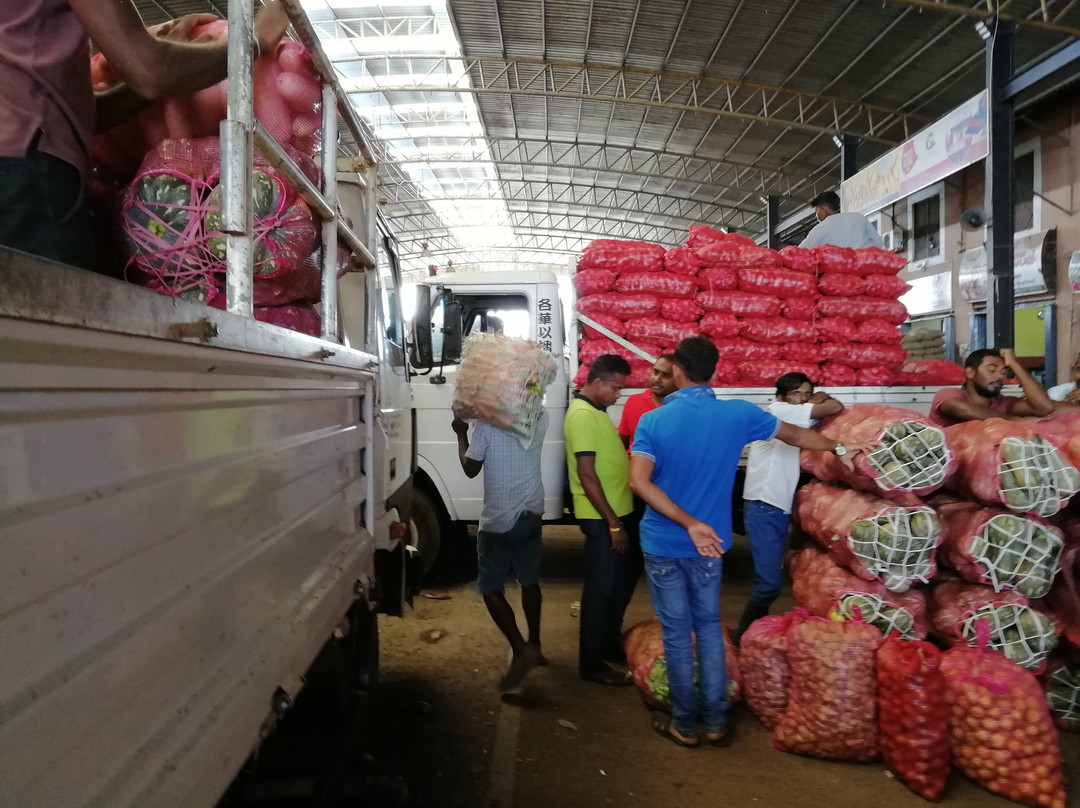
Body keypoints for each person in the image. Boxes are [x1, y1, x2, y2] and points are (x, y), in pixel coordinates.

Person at [629, 337, 874, 749]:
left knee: (676, 630)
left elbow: (639, 482)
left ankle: (685, 725)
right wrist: (842, 445)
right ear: (714, 371)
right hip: (711, 543)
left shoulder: (654, 421)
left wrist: (687, 523)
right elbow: (797, 435)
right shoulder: (738, 415)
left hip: (664, 541)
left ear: (676, 371)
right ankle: (716, 722)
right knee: (707, 626)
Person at [0, 1, 289, 270]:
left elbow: (92, 113)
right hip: (24, 165)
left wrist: (159, 74)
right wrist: (254, 43)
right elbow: (149, 69)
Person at [735, 373, 844, 644]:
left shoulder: (796, 412)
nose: (802, 398)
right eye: (797, 393)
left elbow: (831, 405)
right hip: (764, 505)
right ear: (782, 396)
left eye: (807, 393)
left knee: (771, 580)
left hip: (775, 506)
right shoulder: (780, 411)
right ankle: (743, 634)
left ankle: (752, 635)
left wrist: (812, 399)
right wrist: (817, 400)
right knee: (769, 584)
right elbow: (831, 407)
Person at [452, 409, 548, 695]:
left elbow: (470, 468)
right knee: (529, 581)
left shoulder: (486, 425)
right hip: (532, 511)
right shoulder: (539, 417)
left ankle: (521, 650)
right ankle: (536, 645)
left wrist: (460, 432)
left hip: (500, 519)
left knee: (491, 587)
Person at [565, 354, 640, 686]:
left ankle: (608, 645)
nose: (618, 395)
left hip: (616, 513)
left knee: (615, 587)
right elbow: (586, 474)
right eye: (616, 388)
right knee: (599, 591)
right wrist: (612, 522)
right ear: (597, 382)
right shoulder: (581, 415)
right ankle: (591, 665)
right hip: (601, 519)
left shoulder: (595, 412)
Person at [928, 348, 1057, 427]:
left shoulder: (1005, 403)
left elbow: (1045, 407)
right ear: (970, 373)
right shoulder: (948, 394)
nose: (999, 376)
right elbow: (968, 412)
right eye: (991, 370)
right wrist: (1017, 421)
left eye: (1004, 372)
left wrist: (1015, 364)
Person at [618, 354, 677, 452]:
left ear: (678, 379)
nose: (657, 379)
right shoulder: (633, 402)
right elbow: (622, 442)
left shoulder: (682, 408)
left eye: (666, 375)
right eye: (655, 372)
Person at [799, 190, 882, 250]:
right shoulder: (859, 217)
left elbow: (801, 250)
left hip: (838, 271)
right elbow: (878, 243)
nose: (816, 216)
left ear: (823, 209)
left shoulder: (822, 227)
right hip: (864, 269)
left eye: (817, 211)